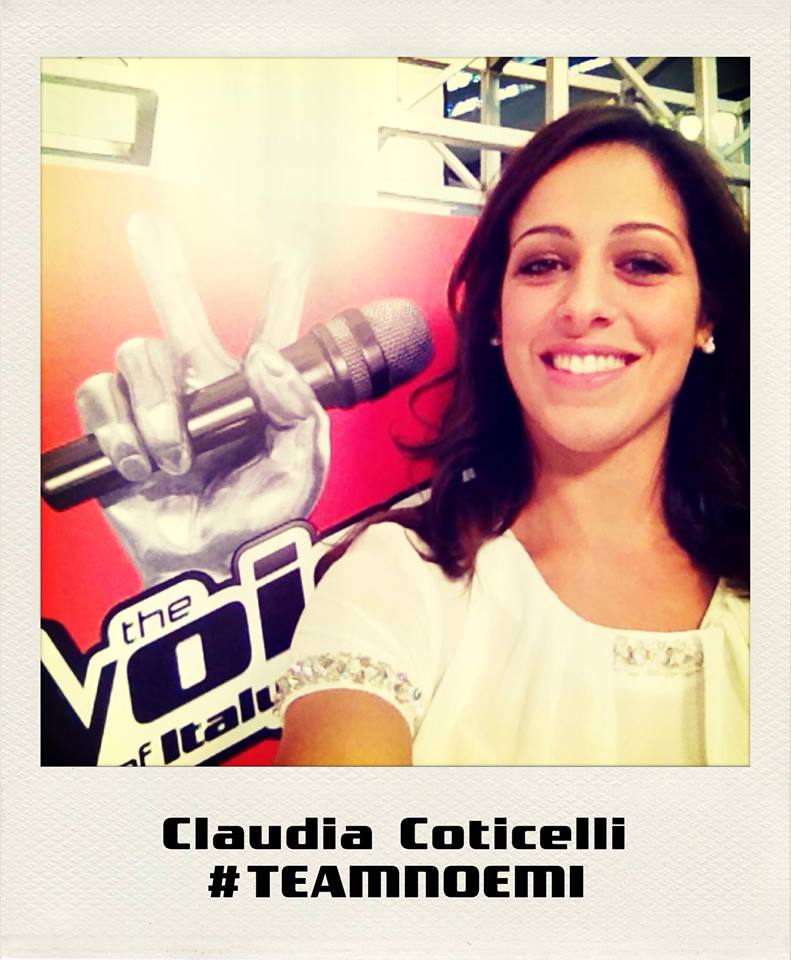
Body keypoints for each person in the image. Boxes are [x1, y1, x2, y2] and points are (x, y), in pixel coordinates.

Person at [273, 104, 749, 766]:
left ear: (706, 315)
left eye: (641, 263)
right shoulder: (403, 577)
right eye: (543, 263)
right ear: (496, 313)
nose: (583, 305)